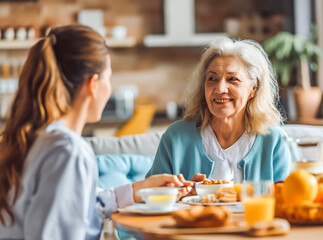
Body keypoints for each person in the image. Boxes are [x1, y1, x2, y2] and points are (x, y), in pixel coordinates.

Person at [0, 25, 192, 240]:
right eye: (108, 78)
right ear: (93, 84)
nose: (109, 87)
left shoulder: (36, 138)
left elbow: (79, 205)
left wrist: (141, 188)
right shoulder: (68, 151)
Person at [147, 37, 291, 183]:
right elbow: (148, 197)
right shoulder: (176, 137)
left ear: (253, 89)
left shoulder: (274, 141)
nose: (220, 89)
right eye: (212, 79)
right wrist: (182, 194)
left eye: (232, 79)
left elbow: (290, 201)